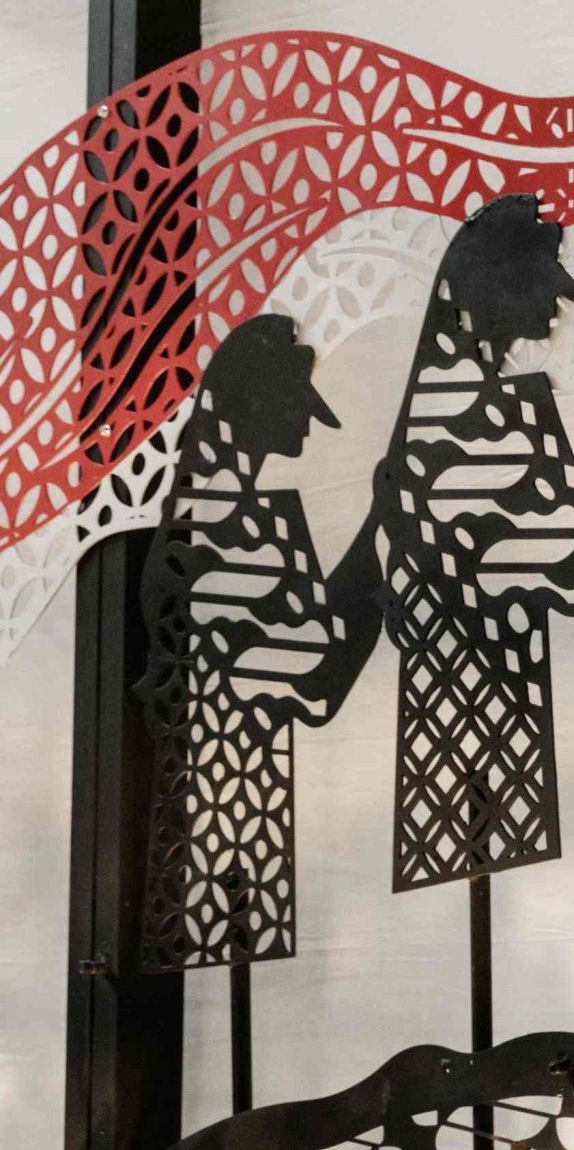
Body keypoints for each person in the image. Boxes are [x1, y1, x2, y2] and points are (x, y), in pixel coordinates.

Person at [374, 191, 574, 896]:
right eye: (542, 292)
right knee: (477, 874)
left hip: (491, 713)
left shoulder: (464, 399)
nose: (555, 313)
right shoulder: (484, 407)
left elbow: (558, 551)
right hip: (473, 718)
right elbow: (568, 569)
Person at [133, 314, 382, 976]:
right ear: (250, 404)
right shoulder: (230, 522)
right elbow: (314, 674)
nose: (305, 423)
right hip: (227, 811)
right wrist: (380, 535)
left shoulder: (217, 511)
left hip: (242, 804)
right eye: (294, 405)